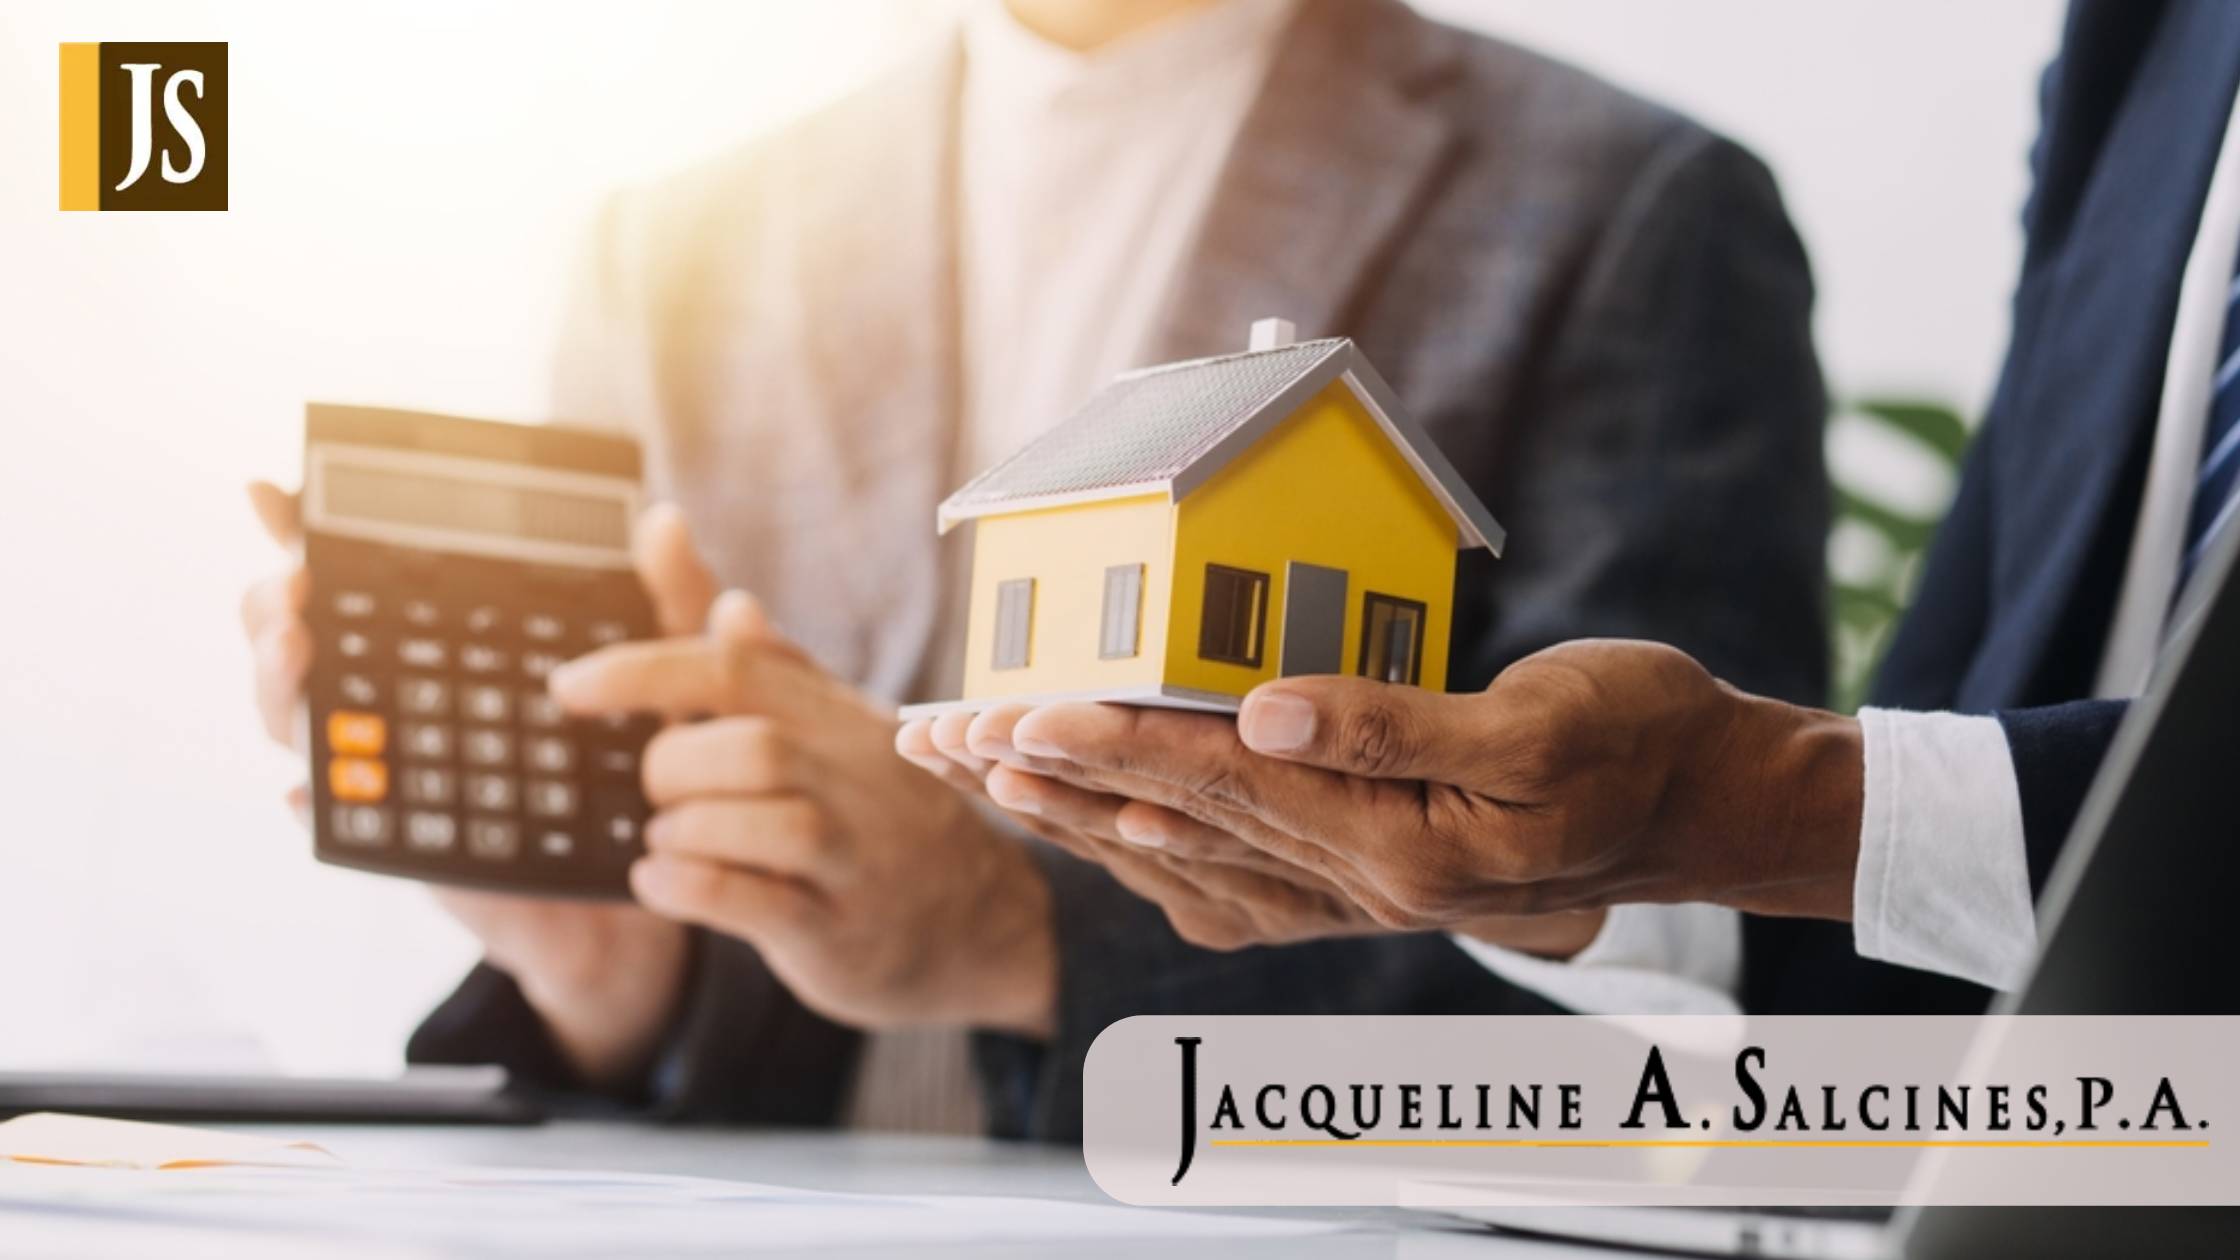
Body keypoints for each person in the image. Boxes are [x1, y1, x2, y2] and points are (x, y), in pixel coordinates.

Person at [240, 0, 1827, 1139]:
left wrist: (1024, 930)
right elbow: (691, 1004)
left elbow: (1666, 1010)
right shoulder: (670, 245)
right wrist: (617, 971)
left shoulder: (1629, 208)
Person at [921, 0, 2240, 1016]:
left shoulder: (1634, 192)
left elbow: (1825, 798)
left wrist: (1778, 815)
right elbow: (1957, 734)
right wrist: (1609, 891)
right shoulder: (2155, 35)